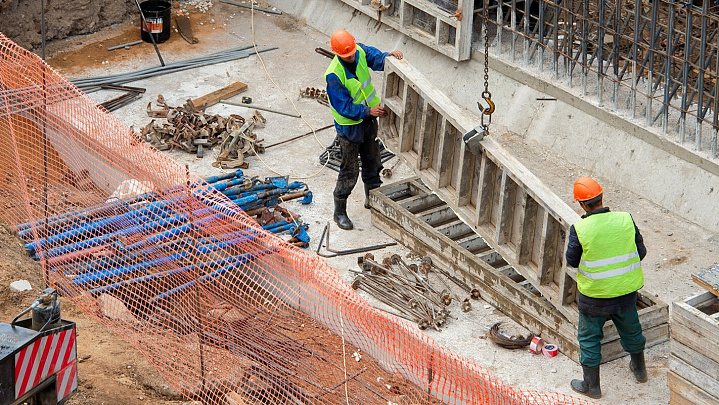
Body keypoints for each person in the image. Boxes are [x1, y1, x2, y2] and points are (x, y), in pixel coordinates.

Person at [565, 176, 648, 399]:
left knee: (590, 338)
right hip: (625, 293)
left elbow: (572, 260)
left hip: (594, 297)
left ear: (581, 204)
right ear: (602, 197)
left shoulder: (580, 228)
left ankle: (592, 387)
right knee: (632, 330)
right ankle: (640, 371)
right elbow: (641, 253)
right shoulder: (625, 219)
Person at [324, 29, 403, 230]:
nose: (351, 57)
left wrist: (387, 57)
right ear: (338, 54)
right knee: (349, 171)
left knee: (373, 161)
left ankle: (372, 200)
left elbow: (374, 56)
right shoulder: (334, 75)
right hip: (350, 128)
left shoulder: (358, 51)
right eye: (346, 55)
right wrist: (368, 111)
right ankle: (339, 212)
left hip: (368, 121)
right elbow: (344, 107)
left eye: (351, 53)